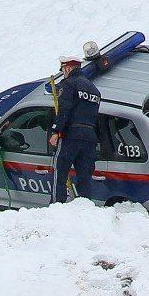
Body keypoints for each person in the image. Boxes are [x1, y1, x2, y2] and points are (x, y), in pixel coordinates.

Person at [50, 53, 101, 202]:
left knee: (60, 173)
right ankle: (85, 206)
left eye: (63, 68)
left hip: (71, 135)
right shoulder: (94, 90)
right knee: (85, 177)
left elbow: (64, 110)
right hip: (90, 137)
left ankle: (56, 205)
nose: (63, 72)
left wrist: (56, 131)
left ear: (68, 68)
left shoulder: (69, 84)